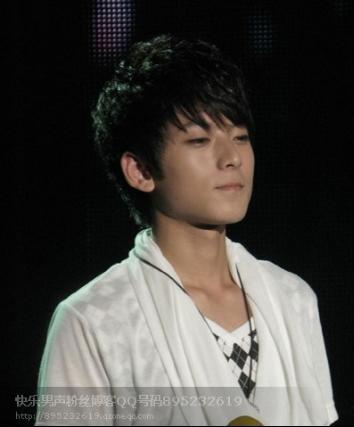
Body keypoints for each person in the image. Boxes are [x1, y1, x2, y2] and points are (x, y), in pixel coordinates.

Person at [35, 34, 338, 426]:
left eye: (240, 136)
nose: (231, 158)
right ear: (140, 170)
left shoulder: (292, 299)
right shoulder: (93, 321)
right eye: (199, 140)